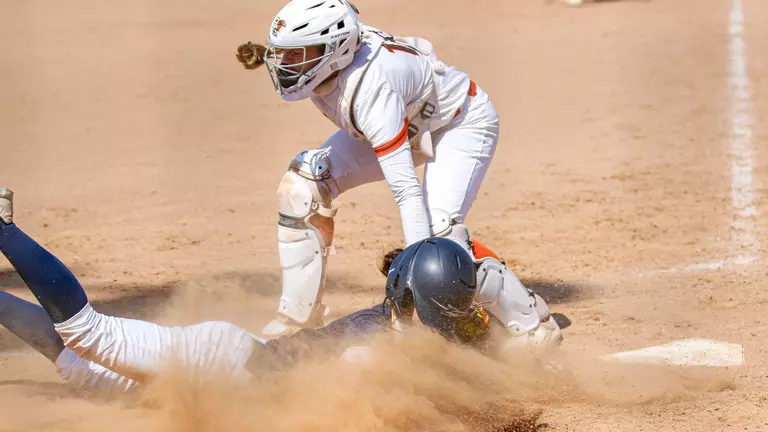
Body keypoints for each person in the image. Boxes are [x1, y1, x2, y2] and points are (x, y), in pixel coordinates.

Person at [0, 188, 559, 392]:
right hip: (222, 363)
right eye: (427, 312)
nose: (433, 324)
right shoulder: (371, 351)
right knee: (94, 337)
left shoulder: (438, 309)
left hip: (226, 382)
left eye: (446, 314)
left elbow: (482, 280)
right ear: (403, 300)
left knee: (74, 364)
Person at [249, 0, 509, 337]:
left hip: (459, 123)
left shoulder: (370, 88)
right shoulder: (335, 65)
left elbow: (405, 190)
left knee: (440, 235)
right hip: (405, 122)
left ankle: (528, 321)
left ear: (335, 50)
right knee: (304, 184)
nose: (287, 65)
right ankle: (297, 319)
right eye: (285, 54)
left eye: (299, 55)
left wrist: (419, 285)